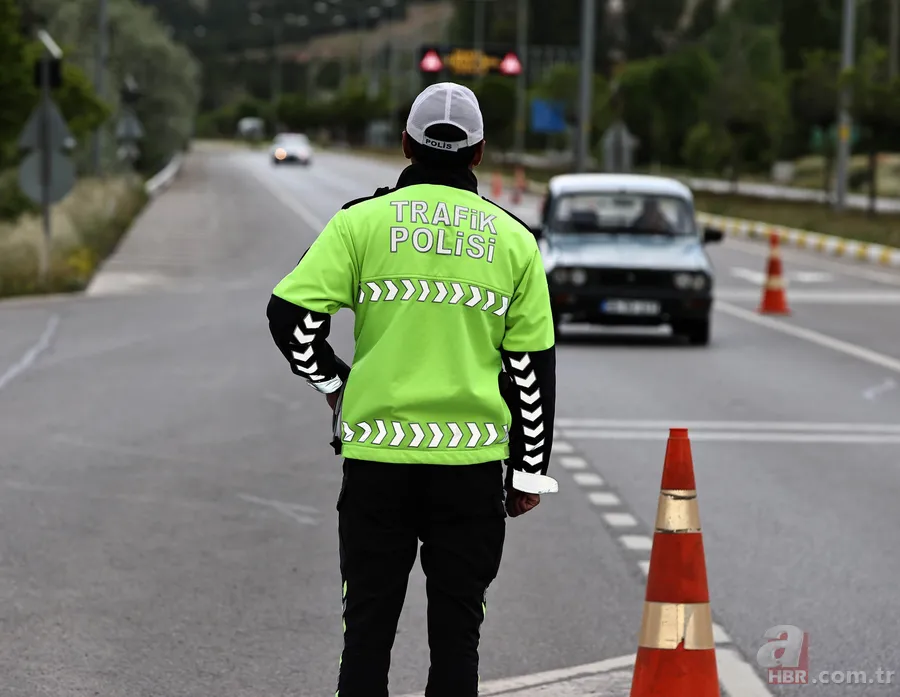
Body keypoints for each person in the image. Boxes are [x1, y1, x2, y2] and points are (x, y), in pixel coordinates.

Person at [266, 81, 557, 697]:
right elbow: (531, 367)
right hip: (470, 469)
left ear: (405, 145)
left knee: (367, 633)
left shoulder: (360, 224)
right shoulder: (515, 242)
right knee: (457, 637)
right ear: (478, 154)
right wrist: (528, 472)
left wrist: (334, 382)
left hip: (377, 464)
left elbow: (291, 316)